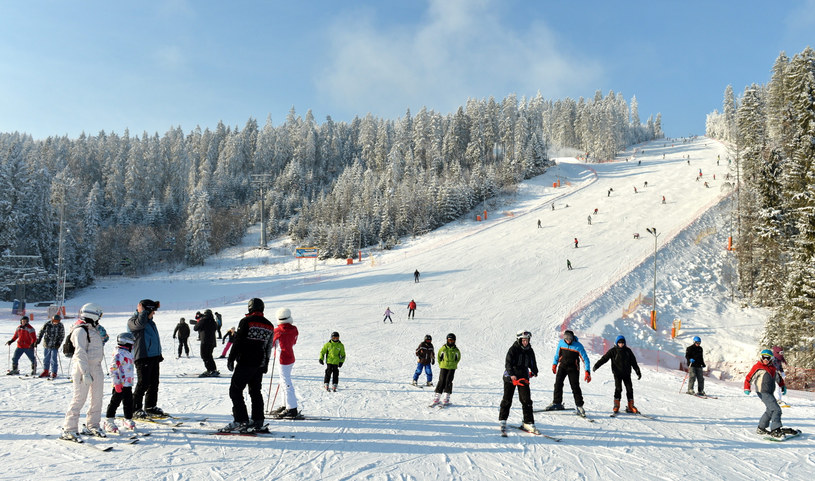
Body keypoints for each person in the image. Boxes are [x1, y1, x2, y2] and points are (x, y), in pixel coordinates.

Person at [222, 298, 274, 433]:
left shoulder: (246, 321)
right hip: (259, 363)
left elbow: (238, 341)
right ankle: (258, 421)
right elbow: (268, 347)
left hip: (245, 362)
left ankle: (240, 420)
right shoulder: (269, 325)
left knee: (235, 390)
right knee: (255, 391)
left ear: (250, 308)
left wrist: (231, 358)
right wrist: (265, 363)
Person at [60, 303, 106, 441]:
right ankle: (69, 428)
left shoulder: (94, 329)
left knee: (97, 399)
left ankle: (93, 425)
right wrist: (85, 372)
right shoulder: (80, 331)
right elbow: (80, 353)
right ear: (92, 314)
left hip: (96, 368)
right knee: (79, 399)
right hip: (82, 369)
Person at [744, 349, 795, 439]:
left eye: (768, 358)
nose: (766, 360)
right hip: (762, 392)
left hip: (770, 392)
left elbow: (778, 378)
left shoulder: (773, 368)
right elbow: (749, 377)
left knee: (770, 410)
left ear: (771, 359)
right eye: (764, 357)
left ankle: (761, 428)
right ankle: (775, 429)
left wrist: (782, 386)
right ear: (761, 357)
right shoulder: (758, 367)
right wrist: (747, 387)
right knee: (776, 409)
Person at [128, 299, 166, 418]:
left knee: (154, 383)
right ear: (146, 310)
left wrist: (158, 354)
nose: (153, 313)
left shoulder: (150, 322)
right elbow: (139, 325)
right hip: (143, 357)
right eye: (152, 311)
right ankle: (134, 408)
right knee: (143, 383)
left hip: (153, 356)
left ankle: (150, 406)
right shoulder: (133, 321)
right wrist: (142, 312)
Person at [499, 331, 539, 435]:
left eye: (527, 340)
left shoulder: (530, 350)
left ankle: (528, 422)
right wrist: (512, 375)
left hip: (523, 376)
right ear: (519, 340)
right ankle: (503, 419)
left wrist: (534, 371)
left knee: (526, 400)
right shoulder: (513, 349)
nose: (525, 342)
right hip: (510, 377)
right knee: (507, 399)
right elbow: (508, 363)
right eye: (523, 340)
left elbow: (532, 362)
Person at [545, 330, 591, 416]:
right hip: (562, 366)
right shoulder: (561, 343)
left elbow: (585, 359)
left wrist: (587, 371)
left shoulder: (578, 346)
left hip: (573, 368)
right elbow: (557, 355)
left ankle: (579, 406)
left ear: (573, 338)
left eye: (570, 338)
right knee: (558, 383)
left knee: (575, 386)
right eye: (566, 338)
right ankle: (557, 403)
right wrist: (554, 364)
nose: (568, 340)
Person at [592, 335, 642, 414]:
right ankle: (616, 405)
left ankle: (631, 406)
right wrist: (597, 365)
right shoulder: (613, 351)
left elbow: (634, 362)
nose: (621, 344)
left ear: (624, 343)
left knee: (629, 389)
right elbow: (604, 359)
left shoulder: (628, 351)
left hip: (627, 374)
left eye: (622, 343)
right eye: (619, 343)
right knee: (618, 389)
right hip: (617, 373)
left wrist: (638, 371)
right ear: (616, 343)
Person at [102, 332, 136, 434]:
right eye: (131, 344)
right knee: (115, 402)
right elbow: (113, 368)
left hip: (127, 383)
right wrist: (116, 383)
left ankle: (127, 419)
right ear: (126, 343)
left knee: (128, 402)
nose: (133, 346)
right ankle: (109, 420)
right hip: (120, 383)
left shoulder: (127, 352)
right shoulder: (119, 353)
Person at [271, 307, 300, 419]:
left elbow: (271, 344)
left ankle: (292, 408)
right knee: (282, 381)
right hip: (290, 357)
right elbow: (294, 342)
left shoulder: (277, 331)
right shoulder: (294, 329)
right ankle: (285, 405)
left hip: (282, 359)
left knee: (286, 382)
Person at [429, 333, 461, 407]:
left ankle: (446, 398)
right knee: (441, 380)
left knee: (448, 381)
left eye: (452, 340)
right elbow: (439, 356)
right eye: (449, 340)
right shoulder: (443, 348)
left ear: (454, 341)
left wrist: (454, 363)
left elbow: (458, 358)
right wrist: (441, 364)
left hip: (452, 367)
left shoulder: (456, 350)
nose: (450, 342)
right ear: (447, 340)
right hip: (443, 367)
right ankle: (437, 398)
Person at [37, 314, 65, 378]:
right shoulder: (47, 324)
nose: (56, 322)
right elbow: (41, 332)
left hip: (55, 345)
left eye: (57, 321)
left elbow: (62, 335)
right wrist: (38, 340)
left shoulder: (60, 325)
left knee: (53, 359)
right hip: (47, 344)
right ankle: (46, 371)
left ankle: (54, 372)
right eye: (55, 321)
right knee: (46, 359)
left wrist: (59, 343)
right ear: (52, 320)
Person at [194, 309, 219, 377]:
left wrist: (200, 320)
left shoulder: (203, 320)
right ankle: (213, 369)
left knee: (204, 356)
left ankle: (210, 370)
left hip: (205, 341)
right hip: (212, 341)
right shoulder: (213, 321)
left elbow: (195, 328)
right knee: (209, 355)